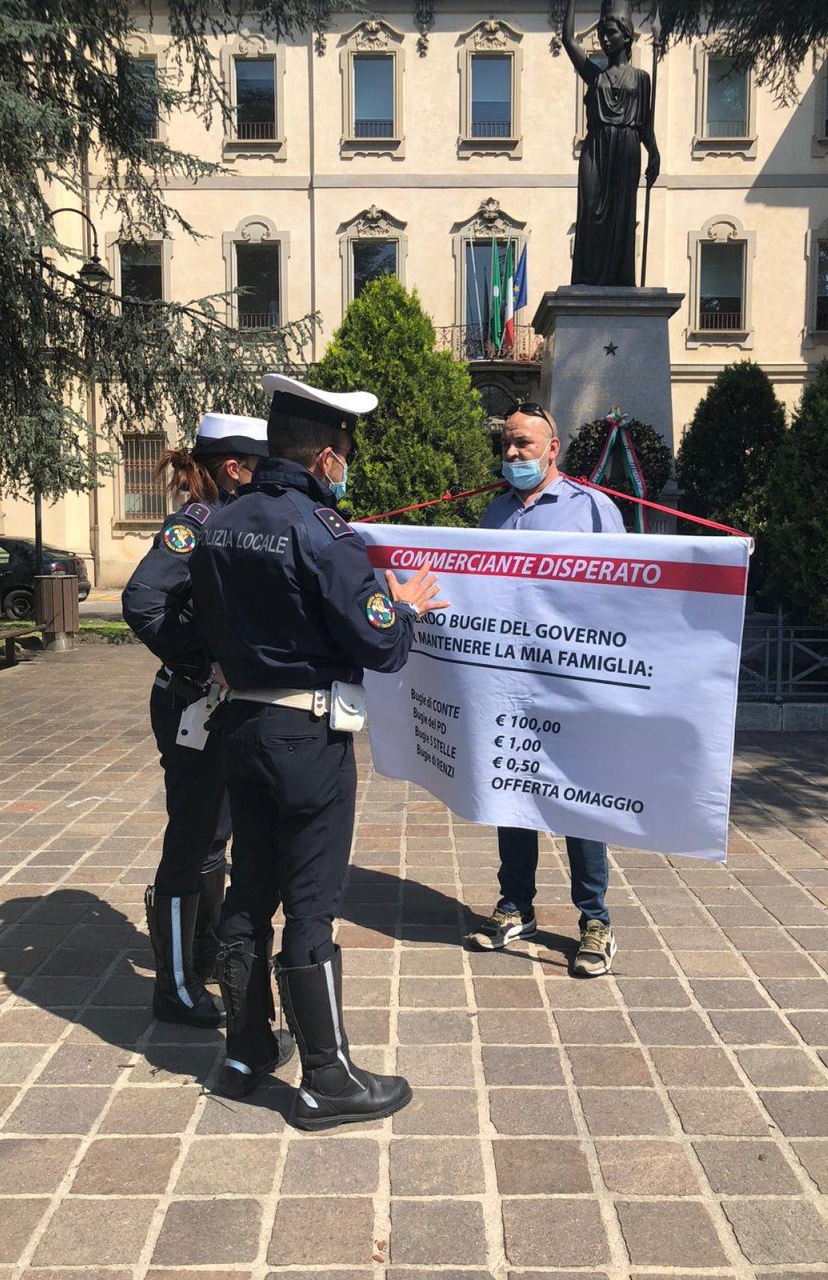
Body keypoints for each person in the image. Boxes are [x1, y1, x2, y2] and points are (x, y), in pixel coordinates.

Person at [189, 373, 447, 1124]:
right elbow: (382, 647)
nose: (348, 463)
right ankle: (326, 1078)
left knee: (249, 892)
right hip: (306, 737)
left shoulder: (217, 522)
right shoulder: (325, 534)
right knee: (309, 904)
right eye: (348, 450)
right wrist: (403, 608)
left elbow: (191, 621)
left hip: (239, 729)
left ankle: (244, 1052)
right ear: (329, 456)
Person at [122, 412, 271, 1031]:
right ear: (235, 469)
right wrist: (204, 658)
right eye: (261, 467)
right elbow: (142, 601)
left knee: (215, 832)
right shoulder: (197, 523)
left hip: (215, 708)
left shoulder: (236, 523)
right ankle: (176, 988)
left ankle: (200, 952)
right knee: (193, 837)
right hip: (191, 704)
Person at [467, 401, 625, 976]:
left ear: (552, 448)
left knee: (578, 800)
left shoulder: (592, 510)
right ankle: (516, 907)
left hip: (573, 684)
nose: (512, 454)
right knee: (512, 793)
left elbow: (622, 595)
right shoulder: (494, 513)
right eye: (507, 444)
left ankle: (595, 920)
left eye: (524, 445)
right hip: (510, 684)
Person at [563, 0, 660, 286]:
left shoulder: (642, 79)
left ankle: (618, 281)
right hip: (596, 149)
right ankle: (588, 279)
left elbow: (645, 124)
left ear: (627, 35)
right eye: (602, 32)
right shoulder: (595, 75)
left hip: (627, 149)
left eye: (611, 32)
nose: (604, 38)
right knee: (591, 210)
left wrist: (654, 154)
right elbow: (568, 40)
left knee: (621, 219)